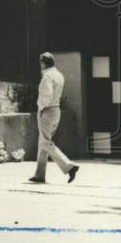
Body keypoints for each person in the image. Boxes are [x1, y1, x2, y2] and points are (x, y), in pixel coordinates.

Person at [29, 52, 80, 184]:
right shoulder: (59, 75)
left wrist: (40, 108)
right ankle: (39, 175)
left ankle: (69, 166)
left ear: (43, 63)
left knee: (46, 143)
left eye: (40, 62)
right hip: (56, 110)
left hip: (47, 111)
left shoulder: (47, 76)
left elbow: (47, 95)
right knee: (43, 142)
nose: (40, 65)